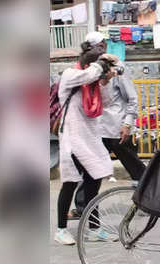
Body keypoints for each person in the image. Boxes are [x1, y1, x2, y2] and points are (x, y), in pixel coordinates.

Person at [68, 33, 146, 220]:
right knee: (90, 169)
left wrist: (128, 124)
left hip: (116, 126)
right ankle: (82, 207)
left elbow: (132, 98)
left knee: (134, 166)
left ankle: (151, 199)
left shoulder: (118, 67)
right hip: (95, 127)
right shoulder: (86, 69)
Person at [54, 33, 120, 245]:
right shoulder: (70, 74)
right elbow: (87, 74)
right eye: (98, 48)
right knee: (70, 183)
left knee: (94, 180)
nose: (102, 52)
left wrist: (106, 81)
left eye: (104, 48)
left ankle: (94, 228)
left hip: (90, 137)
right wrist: (100, 64)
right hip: (73, 137)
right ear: (87, 53)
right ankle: (61, 229)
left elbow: (107, 103)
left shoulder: (94, 80)